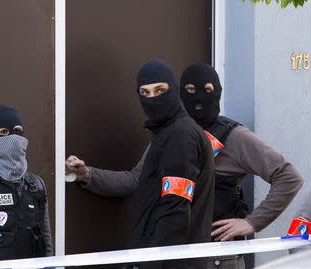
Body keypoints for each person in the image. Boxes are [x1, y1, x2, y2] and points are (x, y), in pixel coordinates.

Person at [66, 63, 303, 268]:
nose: (198, 98)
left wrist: (252, 222)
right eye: (189, 90)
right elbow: (137, 180)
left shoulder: (233, 136)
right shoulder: (171, 134)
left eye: (207, 91)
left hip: (216, 255)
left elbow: (289, 177)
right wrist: (87, 174)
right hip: (179, 254)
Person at [67, 60, 214, 269]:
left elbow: (175, 210)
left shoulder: (180, 136)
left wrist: (150, 264)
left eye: (160, 90)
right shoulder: (166, 134)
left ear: (174, 89)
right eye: (145, 93)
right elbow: (136, 179)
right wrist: (86, 175)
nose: (153, 99)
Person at [0, 105, 53, 262]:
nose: (13, 138)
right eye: (3, 132)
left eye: (18, 130)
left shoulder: (35, 184)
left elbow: (46, 242)